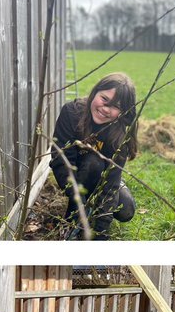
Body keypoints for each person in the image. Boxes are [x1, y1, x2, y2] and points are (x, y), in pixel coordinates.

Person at [50, 71, 138, 239]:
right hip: (76, 174)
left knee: (126, 210)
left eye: (115, 106)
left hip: (105, 177)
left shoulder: (120, 134)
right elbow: (61, 160)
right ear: (95, 92)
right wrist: (78, 204)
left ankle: (97, 207)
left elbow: (110, 183)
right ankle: (76, 213)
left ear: (123, 112)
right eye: (104, 99)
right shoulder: (71, 113)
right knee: (93, 162)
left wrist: (100, 233)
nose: (106, 109)